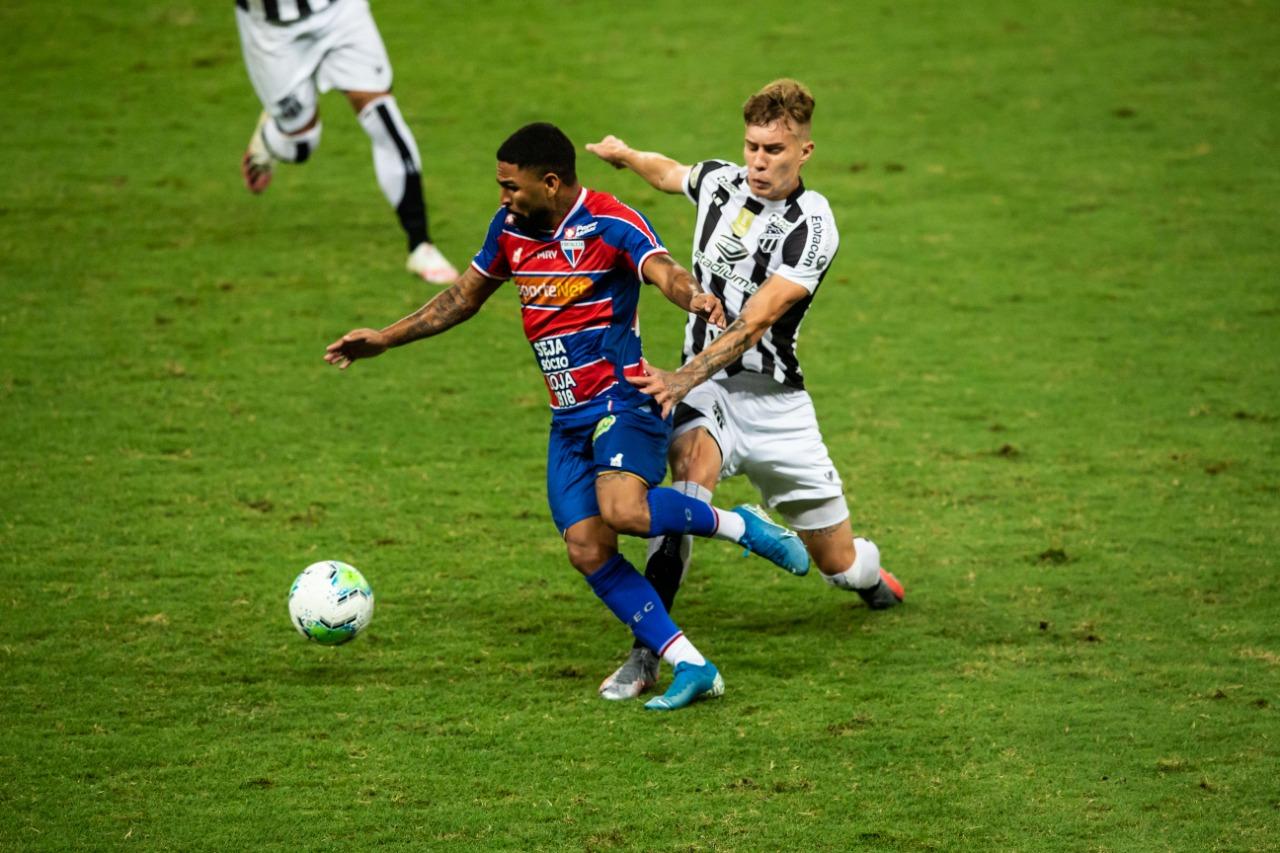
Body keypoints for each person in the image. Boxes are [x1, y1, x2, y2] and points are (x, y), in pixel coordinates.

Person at [324, 122, 811, 711]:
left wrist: (695, 297)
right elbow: (462, 297)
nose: (503, 197)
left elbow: (664, 270)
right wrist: (384, 338)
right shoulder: (509, 230)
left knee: (624, 510)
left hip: (624, 399)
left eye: (512, 186)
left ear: (551, 183)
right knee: (586, 547)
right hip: (568, 417)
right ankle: (691, 664)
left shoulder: (610, 222)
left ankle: (742, 527)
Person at [585, 79, 905, 701]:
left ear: (804, 152)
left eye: (774, 150)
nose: (759, 161)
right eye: (752, 147)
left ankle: (869, 578)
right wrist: (625, 155)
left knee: (837, 563)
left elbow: (756, 321)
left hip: (778, 405)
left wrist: (680, 377)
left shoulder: (813, 225)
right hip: (708, 391)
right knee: (687, 478)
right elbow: (670, 172)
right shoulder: (719, 181)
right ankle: (648, 652)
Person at [235, 0, 457, 284]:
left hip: (339, 12)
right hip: (271, 31)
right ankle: (271, 137)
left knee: (380, 112)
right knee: (300, 144)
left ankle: (420, 244)